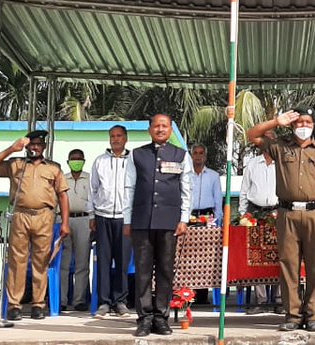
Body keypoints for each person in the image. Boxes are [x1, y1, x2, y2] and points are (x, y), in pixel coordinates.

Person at [247, 109, 315, 333]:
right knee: (289, 266)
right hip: (287, 213)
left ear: (314, 125)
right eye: (299, 122)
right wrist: (275, 122)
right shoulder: (280, 147)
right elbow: (252, 134)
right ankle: (293, 315)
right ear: (292, 126)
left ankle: (314, 315)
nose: (303, 126)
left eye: (308, 122)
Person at [0, 130, 70, 321]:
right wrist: (12, 149)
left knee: (41, 260)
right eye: (32, 144)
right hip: (20, 214)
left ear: (44, 147)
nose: (35, 148)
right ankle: (14, 305)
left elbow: (63, 195)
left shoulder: (53, 168)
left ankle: (38, 304)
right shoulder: (16, 164)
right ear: (27, 146)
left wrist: (65, 222)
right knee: (17, 260)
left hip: (44, 215)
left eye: (38, 144)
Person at [123, 114, 191, 337]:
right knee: (142, 271)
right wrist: (127, 220)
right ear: (150, 129)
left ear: (170, 129)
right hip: (142, 220)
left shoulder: (181, 155)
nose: (160, 129)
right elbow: (129, 188)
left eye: (165, 126)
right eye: (156, 126)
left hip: (169, 221)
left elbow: (186, 189)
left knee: (165, 270)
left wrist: (184, 218)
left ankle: (161, 317)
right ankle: (144, 318)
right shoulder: (137, 154)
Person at [89, 125, 132, 317]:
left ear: (126, 139)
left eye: (119, 136)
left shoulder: (133, 161)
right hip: (103, 216)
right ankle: (104, 302)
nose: (116, 139)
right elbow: (93, 189)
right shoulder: (100, 161)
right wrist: (92, 215)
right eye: (112, 136)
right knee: (103, 261)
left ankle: (120, 301)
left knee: (122, 261)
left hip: (125, 218)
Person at [239, 134, 280, 315]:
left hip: (279, 212)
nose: (269, 143)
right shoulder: (252, 164)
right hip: (256, 214)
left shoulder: (283, 163)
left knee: (279, 255)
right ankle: (261, 300)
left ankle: (279, 299)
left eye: (272, 139)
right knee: (257, 256)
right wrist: (243, 215)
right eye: (266, 139)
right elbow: (244, 191)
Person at [59, 148, 93, 312]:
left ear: (84, 161)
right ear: (68, 162)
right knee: (63, 263)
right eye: (73, 159)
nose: (76, 161)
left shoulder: (90, 178)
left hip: (84, 220)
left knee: (82, 262)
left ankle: (79, 300)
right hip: (64, 219)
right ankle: (62, 299)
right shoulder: (62, 179)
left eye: (79, 159)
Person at [188, 144, 223, 227]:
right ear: (191, 156)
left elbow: (218, 201)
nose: (198, 156)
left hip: (208, 216)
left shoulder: (214, 176)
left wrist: (218, 222)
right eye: (195, 153)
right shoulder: (185, 175)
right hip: (189, 215)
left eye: (201, 153)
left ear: (205, 156)